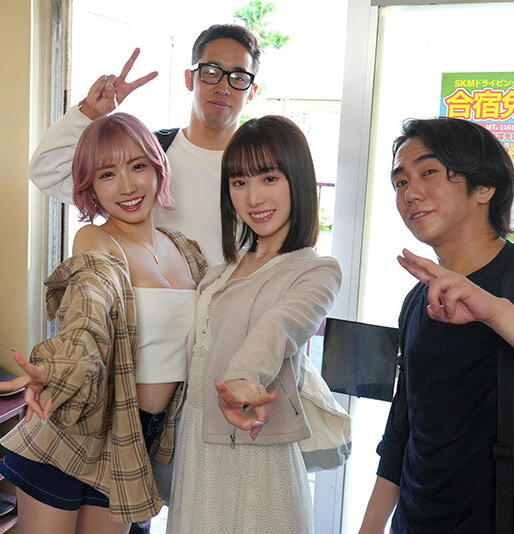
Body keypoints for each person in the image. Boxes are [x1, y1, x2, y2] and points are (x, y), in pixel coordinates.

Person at [0, 112, 207, 534]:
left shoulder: (187, 251)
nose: (127, 185)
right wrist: (57, 368)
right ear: (91, 186)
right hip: (75, 427)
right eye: (107, 174)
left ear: (158, 168)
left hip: (133, 437)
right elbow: (89, 314)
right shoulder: (96, 240)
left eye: (137, 166)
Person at [358, 118, 514, 534]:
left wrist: (495, 311)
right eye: (400, 181)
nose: (410, 193)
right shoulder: (418, 300)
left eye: (429, 172)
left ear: (484, 187)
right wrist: (370, 527)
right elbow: (403, 429)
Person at [164, 115, 341, 534]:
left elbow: (281, 327)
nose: (254, 197)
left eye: (269, 178)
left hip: (258, 454)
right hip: (196, 448)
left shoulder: (315, 271)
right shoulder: (219, 271)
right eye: (239, 182)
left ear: (298, 180)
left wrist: (243, 377)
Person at [27, 23, 261, 265]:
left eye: (239, 78)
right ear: (189, 79)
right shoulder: (148, 155)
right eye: (211, 72)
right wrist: (90, 112)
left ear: (252, 92)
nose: (223, 87)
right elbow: (45, 172)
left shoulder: (264, 168)